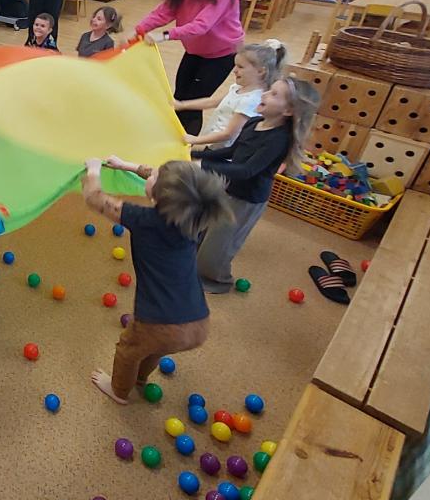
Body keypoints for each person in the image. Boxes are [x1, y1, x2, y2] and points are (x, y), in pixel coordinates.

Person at [81, 158, 231, 404]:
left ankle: (119, 391)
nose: (149, 175)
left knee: (128, 350)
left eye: (153, 177)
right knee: (155, 349)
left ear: (162, 195)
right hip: (198, 322)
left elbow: (94, 199)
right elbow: (162, 179)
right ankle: (140, 379)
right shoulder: (193, 220)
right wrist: (125, 165)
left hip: (158, 322)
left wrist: (93, 169)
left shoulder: (145, 219)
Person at [195, 77, 319, 293]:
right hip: (228, 187)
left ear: (288, 110)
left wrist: (203, 165)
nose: (264, 94)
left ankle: (218, 281)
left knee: (220, 244)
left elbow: (247, 171)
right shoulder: (253, 122)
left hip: (247, 199)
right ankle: (195, 268)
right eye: (269, 90)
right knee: (204, 231)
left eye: (274, 94)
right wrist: (195, 153)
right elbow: (231, 152)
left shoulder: (278, 139)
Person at [132, 0, 245, 135]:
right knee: (179, 97)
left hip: (221, 55)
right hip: (194, 51)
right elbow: (164, 12)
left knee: (192, 104)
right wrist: (138, 30)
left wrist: (165, 35)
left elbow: (202, 25)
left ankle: (186, 144)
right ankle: (170, 137)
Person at [177, 40, 285, 149]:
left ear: (261, 71)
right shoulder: (237, 88)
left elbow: (229, 134)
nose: (234, 70)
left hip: (222, 151)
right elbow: (212, 102)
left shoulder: (250, 100)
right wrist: (182, 105)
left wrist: (196, 140)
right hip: (213, 144)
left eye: (240, 67)